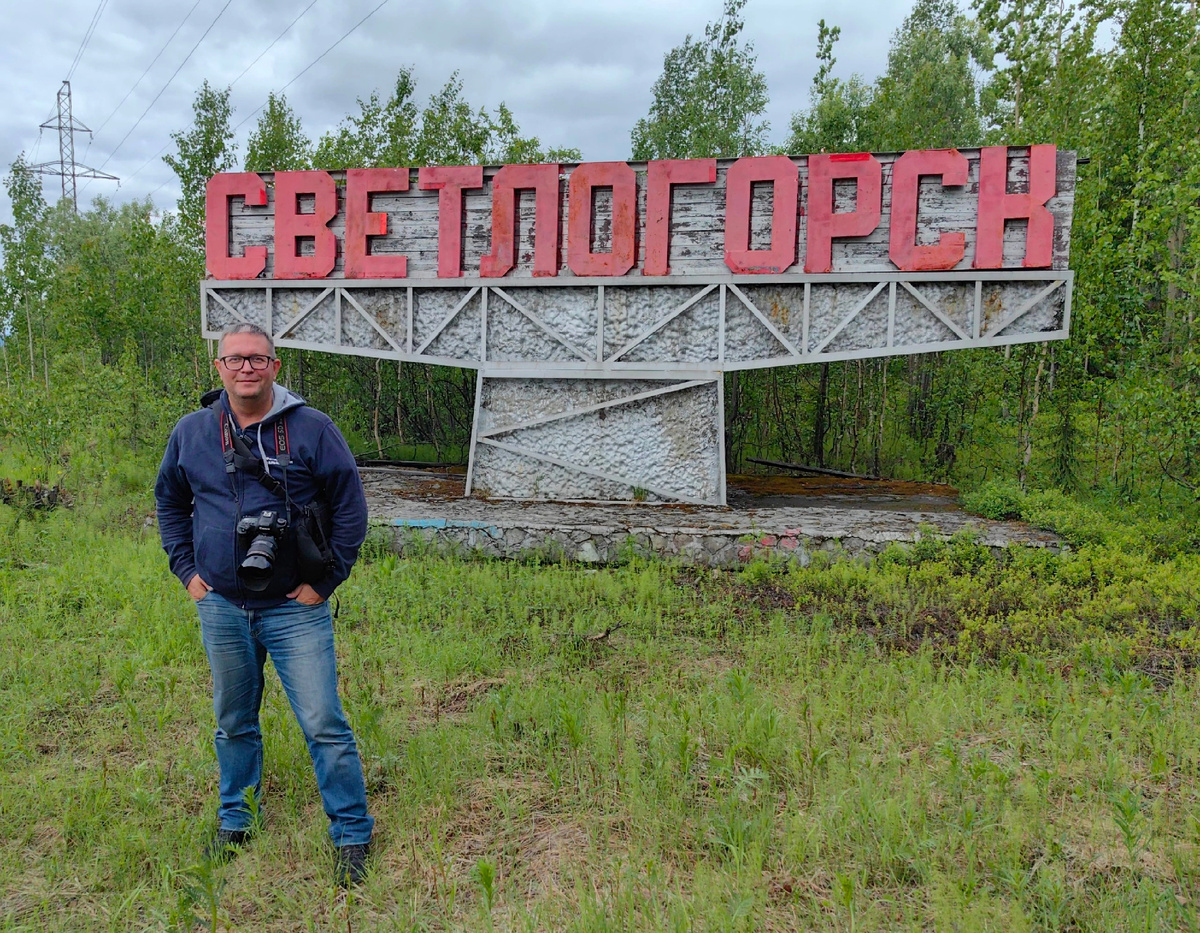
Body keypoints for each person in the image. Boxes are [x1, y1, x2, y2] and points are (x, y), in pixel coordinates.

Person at [155, 322, 374, 886]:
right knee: (232, 721)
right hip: (222, 604)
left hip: (294, 607)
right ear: (218, 367)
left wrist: (326, 583)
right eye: (235, 359)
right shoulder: (193, 432)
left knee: (323, 721)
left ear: (276, 366)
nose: (245, 367)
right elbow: (170, 502)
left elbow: (350, 508)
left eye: (257, 358)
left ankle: (351, 832)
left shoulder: (311, 429)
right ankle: (237, 820)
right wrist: (188, 572)